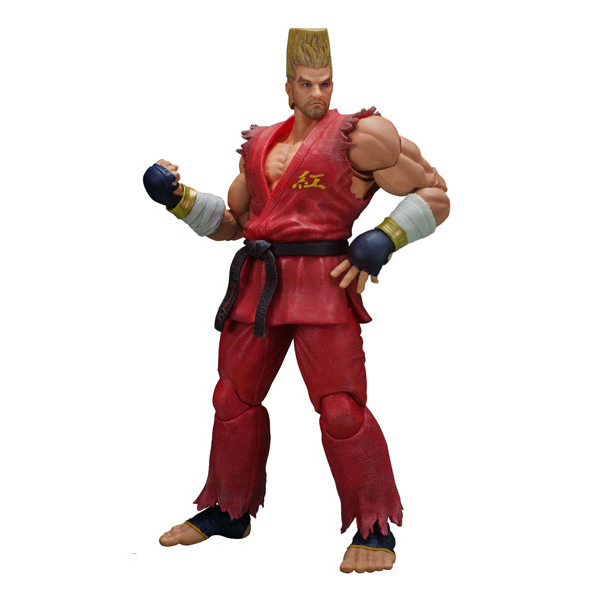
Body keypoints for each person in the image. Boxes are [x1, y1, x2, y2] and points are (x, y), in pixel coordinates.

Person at [142, 28, 449, 574]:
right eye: (307, 84)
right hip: (259, 282)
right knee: (231, 399)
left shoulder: (362, 137)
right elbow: (236, 225)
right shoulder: (260, 144)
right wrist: (177, 198)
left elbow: (435, 193)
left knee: (341, 409)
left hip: (324, 282)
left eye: (325, 83)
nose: (318, 94)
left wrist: (385, 238)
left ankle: (374, 527)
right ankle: (228, 509)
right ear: (288, 86)